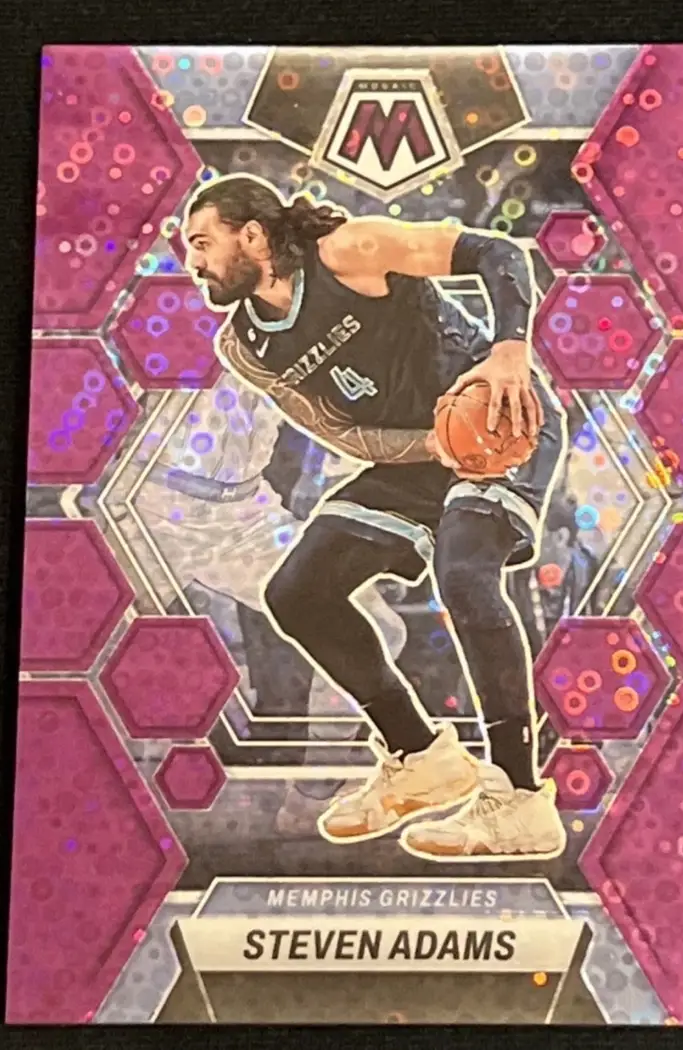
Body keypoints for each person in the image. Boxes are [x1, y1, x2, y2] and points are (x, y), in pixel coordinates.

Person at [182, 174, 568, 861]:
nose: (193, 262)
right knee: (297, 593)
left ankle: (519, 797)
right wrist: (434, 447)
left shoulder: (351, 250)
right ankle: (419, 757)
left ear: (253, 235)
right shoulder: (242, 345)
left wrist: (510, 352)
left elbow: (499, 253)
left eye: (202, 242)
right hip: (423, 452)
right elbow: (346, 434)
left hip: (504, 423)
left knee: (464, 573)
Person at [131, 372, 406, 794]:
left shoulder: (301, 342)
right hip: (151, 503)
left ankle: (317, 781)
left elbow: (343, 432)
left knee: (380, 626)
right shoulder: (176, 334)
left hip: (247, 515)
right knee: (104, 638)